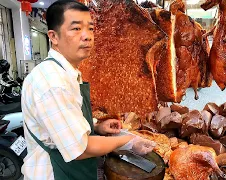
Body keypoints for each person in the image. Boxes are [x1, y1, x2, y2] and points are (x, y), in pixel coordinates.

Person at [21, 1, 156, 179]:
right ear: (53, 37)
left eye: (90, 28)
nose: (87, 36)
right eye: (76, 29)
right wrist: (128, 140)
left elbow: (61, 123)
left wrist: (96, 126)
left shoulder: (67, 73)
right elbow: (81, 148)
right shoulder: (52, 82)